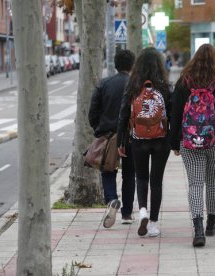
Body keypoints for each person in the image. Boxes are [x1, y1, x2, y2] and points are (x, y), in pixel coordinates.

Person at [169, 44, 215, 247]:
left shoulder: (184, 82)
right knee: (213, 181)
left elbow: (175, 114)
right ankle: (210, 223)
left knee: (195, 183)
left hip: (189, 141)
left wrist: (174, 142)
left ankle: (197, 229)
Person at [117, 47, 171, 237]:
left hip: (137, 140)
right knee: (156, 181)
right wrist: (175, 141)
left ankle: (142, 212)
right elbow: (171, 114)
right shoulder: (164, 86)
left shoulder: (133, 85)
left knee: (141, 177)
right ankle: (154, 224)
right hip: (161, 140)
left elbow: (124, 114)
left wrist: (121, 142)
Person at [88, 49, 136, 228]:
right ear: (132, 65)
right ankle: (127, 213)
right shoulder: (136, 85)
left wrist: (99, 130)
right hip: (131, 136)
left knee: (107, 170)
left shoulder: (104, 84)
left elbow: (93, 112)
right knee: (130, 174)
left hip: (109, 135)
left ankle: (112, 199)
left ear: (115, 65)